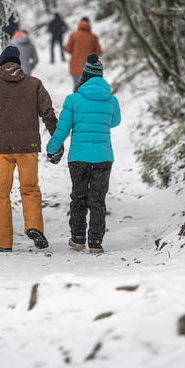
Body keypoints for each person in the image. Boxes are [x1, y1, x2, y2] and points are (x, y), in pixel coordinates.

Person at [0, 45, 57, 252]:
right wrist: (56, 139)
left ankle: (3, 242)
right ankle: (33, 226)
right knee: (30, 189)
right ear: (19, 64)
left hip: (1, 149)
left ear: (2, 64)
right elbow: (47, 112)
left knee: (0, 195)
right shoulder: (34, 84)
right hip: (27, 147)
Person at [46, 54, 121, 254]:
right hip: (103, 156)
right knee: (98, 200)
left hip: (78, 157)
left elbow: (63, 128)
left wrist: (52, 148)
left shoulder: (73, 99)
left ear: (84, 76)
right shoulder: (111, 100)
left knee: (78, 197)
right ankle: (95, 243)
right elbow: (115, 122)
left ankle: (78, 239)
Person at [64, 17, 102, 88]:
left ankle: (77, 99)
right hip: (89, 68)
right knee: (89, 89)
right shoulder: (93, 37)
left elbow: (68, 49)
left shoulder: (73, 35)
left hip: (75, 66)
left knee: (77, 88)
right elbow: (98, 52)